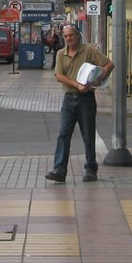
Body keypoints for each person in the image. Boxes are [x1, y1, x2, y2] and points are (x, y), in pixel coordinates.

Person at [46, 23, 113, 183]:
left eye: (71, 35)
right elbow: (59, 75)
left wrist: (99, 79)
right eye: (66, 36)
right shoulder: (61, 53)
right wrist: (77, 85)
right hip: (69, 99)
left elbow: (109, 64)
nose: (68, 38)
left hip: (86, 100)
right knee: (63, 134)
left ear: (78, 36)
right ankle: (59, 170)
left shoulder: (89, 50)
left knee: (88, 135)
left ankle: (91, 169)